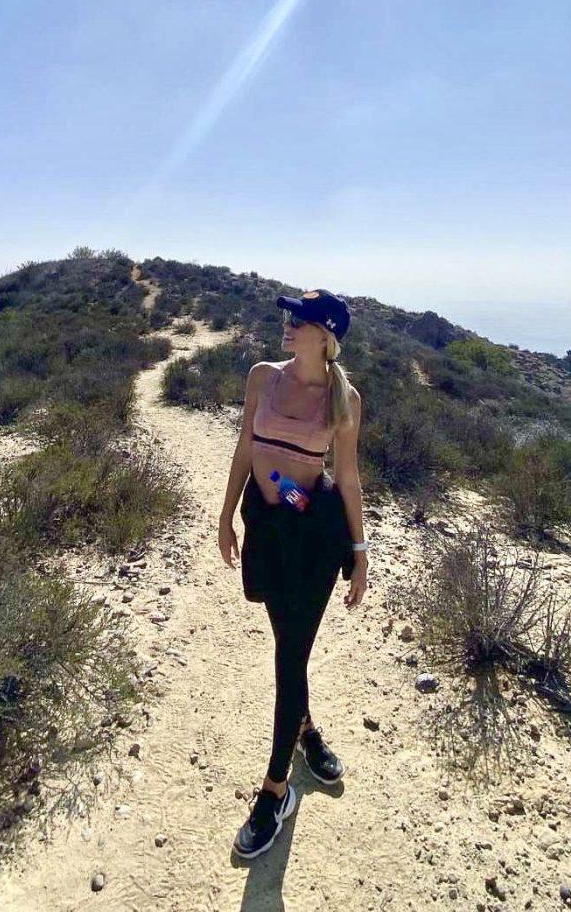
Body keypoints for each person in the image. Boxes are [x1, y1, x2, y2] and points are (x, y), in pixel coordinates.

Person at [217, 288, 370, 860]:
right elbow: (242, 448)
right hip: (267, 523)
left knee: (290, 657)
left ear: (325, 334)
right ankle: (307, 732)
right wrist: (226, 514)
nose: (287, 324)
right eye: (289, 315)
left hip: (313, 535)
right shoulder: (263, 376)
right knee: (288, 645)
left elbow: (348, 479)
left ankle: (275, 791)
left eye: (299, 319)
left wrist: (359, 551)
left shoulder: (344, 397)